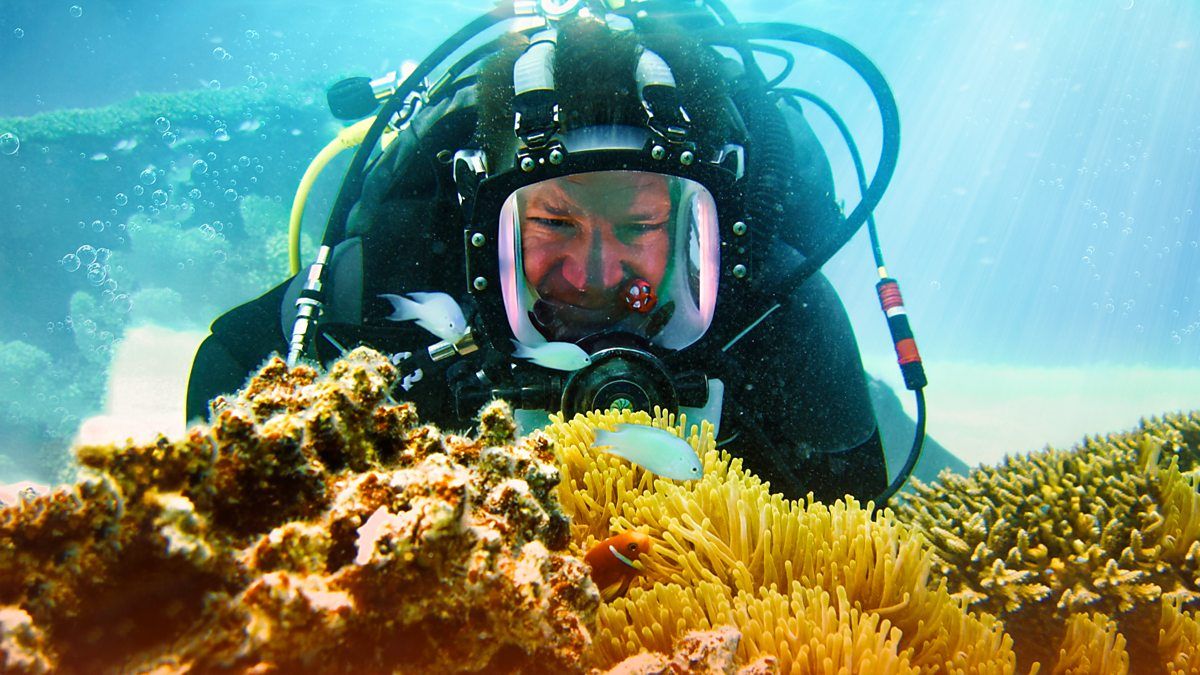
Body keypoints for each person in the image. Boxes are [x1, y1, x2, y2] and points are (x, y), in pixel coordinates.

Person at [186, 7, 889, 504]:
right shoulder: (400, 279)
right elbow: (228, 362)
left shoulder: (771, 311)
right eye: (555, 221)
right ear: (479, 218)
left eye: (639, 225)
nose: (596, 274)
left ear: (699, 229)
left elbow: (859, 522)